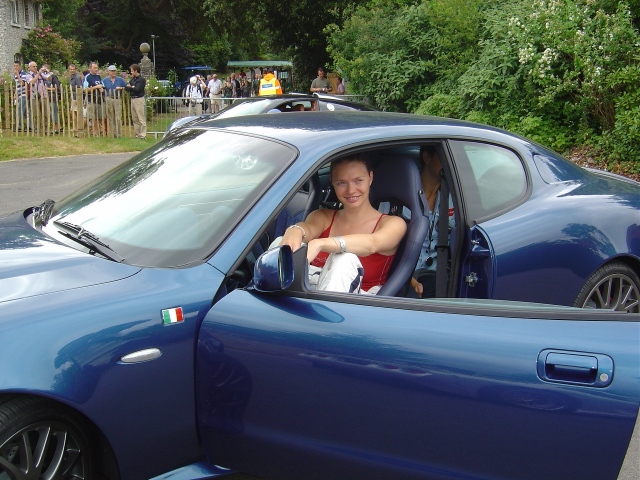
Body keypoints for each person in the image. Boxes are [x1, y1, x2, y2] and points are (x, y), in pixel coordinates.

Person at [280, 155, 406, 294]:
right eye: (341, 183)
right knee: (280, 244)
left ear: (370, 178)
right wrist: (295, 231)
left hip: (357, 304)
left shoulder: (393, 223)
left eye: (358, 180)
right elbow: (308, 228)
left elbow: (372, 243)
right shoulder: (323, 216)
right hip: (311, 289)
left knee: (344, 259)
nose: (351, 190)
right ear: (332, 183)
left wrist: (320, 243)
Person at [410, 146, 455, 298]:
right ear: (427, 157)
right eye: (444, 158)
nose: (450, 163)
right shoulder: (401, 196)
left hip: (438, 276)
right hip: (405, 274)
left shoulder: (454, 200)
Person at [102, 65, 127, 138]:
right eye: (112, 71)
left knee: (118, 117)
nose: (113, 72)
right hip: (108, 98)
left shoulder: (120, 80)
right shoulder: (105, 80)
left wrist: (121, 88)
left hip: (117, 98)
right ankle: (113, 133)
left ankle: (118, 134)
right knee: (111, 117)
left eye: (114, 71)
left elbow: (126, 87)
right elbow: (102, 88)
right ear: (108, 72)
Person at [124, 63, 146, 139]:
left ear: (136, 71)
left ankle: (143, 134)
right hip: (133, 99)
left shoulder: (141, 80)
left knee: (141, 118)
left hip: (139, 99)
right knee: (135, 118)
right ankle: (137, 134)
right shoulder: (133, 79)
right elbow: (126, 87)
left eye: (132, 71)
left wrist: (132, 87)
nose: (131, 73)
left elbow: (137, 89)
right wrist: (131, 87)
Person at [83, 61, 105, 136]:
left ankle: (96, 132)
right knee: (89, 116)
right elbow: (85, 89)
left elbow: (102, 85)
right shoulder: (87, 77)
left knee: (97, 117)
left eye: (97, 68)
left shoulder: (98, 76)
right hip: (91, 99)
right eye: (94, 68)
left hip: (98, 100)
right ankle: (81, 129)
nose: (96, 69)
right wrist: (95, 87)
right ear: (90, 69)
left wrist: (102, 89)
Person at [42, 64, 62, 134]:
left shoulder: (53, 77)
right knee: (49, 114)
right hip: (45, 97)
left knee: (54, 113)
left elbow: (57, 88)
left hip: (52, 97)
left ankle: (56, 128)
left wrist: (47, 88)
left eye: (45, 69)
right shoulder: (43, 77)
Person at [12, 61, 29, 132]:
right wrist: (15, 94)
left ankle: (19, 126)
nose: (15, 67)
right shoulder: (15, 75)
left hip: (24, 94)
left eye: (17, 66)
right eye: (14, 66)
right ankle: (30, 126)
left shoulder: (23, 74)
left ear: (20, 66)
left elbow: (23, 83)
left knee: (19, 110)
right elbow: (17, 85)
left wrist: (18, 76)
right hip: (19, 94)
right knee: (25, 112)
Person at [68, 64, 84, 135]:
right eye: (71, 69)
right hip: (73, 97)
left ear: (75, 69)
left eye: (73, 69)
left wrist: (79, 98)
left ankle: (78, 127)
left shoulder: (77, 77)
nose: (72, 70)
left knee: (77, 113)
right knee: (73, 112)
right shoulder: (71, 77)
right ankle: (75, 127)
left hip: (77, 97)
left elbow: (80, 87)